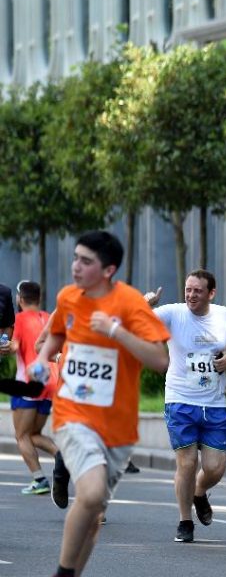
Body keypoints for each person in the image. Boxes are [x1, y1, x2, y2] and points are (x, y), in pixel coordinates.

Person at [29, 230, 170, 577]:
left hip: (118, 427)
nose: (75, 266)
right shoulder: (68, 296)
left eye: (85, 261)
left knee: (93, 514)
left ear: (108, 270)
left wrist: (116, 332)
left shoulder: (130, 303)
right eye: (75, 258)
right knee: (90, 494)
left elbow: (160, 360)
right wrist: (44, 356)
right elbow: (57, 332)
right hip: (73, 412)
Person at [145, 270, 226, 543]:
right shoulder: (172, 314)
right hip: (180, 400)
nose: (191, 295)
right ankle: (184, 521)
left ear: (211, 293)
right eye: (188, 289)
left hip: (214, 403)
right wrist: (146, 303)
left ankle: (199, 491)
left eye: (197, 291)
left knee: (214, 467)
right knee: (187, 463)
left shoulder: (224, 315)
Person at [8, 281, 59, 495]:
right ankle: (64, 458)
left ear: (20, 299)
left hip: (27, 385)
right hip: (49, 385)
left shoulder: (18, 320)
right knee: (34, 433)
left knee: (21, 436)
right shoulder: (48, 318)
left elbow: (13, 347)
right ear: (39, 298)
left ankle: (39, 479)